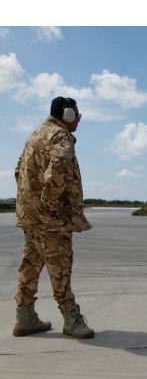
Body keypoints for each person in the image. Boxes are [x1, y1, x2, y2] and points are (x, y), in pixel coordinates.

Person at [13, 96, 95, 339]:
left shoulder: (34, 135)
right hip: (51, 220)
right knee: (60, 267)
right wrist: (50, 203)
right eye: (77, 115)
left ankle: (24, 317)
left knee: (30, 264)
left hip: (31, 216)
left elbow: (18, 169)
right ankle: (71, 318)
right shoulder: (60, 135)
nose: (79, 119)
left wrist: (31, 202)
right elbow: (59, 165)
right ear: (67, 114)